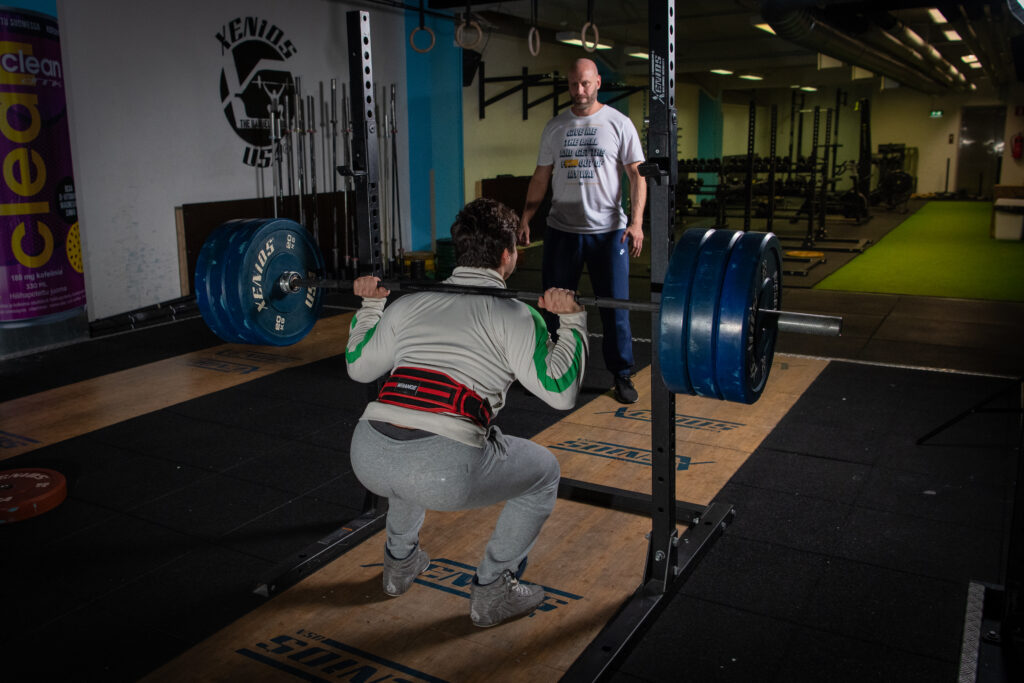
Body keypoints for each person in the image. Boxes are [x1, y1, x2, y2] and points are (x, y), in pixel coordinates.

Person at [345, 197, 589, 628]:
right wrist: (572, 321)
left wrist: (369, 309)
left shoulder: (409, 304)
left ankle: (398, 567)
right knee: (544, 472)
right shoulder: (516, 315)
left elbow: (358, 366)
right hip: (442, 470)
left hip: (368, 453)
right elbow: (560, 392)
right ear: (507, 255)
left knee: (407, 455)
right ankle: (493, 589)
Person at [519, 57, 646, 405]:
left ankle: (621, 374)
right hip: (562, 232)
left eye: (586, 83)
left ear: (598, 82)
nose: (580, 90)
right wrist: (526, 217)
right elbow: (540, 176)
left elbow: (637, 175)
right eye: (574, 84)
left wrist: (636, 223)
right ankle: (548, 372)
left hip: (609, 234)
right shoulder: (555, 127)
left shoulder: (619, 123)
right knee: (553, 306)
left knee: (615, 310)